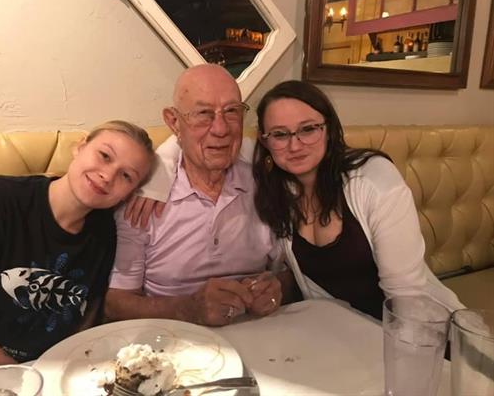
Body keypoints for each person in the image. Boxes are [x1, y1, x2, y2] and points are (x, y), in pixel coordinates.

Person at [0, 121, 154, 377]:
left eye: (126, 176)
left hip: (56, 377)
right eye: (104, 156)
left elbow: (83, 334)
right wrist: (36, 385)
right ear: (80, 147)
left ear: (131, 193)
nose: (108, 176)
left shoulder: (106, 233)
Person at [252, 80, 463, 319]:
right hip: (339, 329)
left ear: (329, 129)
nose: (294, 145)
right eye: (280, 134)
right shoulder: (277, 191)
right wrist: (271, 286)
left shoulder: (373, 179)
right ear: (264, 140)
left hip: (417, 329)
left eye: (308, 129)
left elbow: (407, 296)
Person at [104, 65, 285, 327]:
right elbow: (114, 303)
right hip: (171, 340)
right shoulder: (144, 195)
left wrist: (276, 287)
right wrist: (187, 309)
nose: (221, 129)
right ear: (174, 122)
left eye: (232, 111)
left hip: (258, 334)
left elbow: (292, 275)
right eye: (203, 114)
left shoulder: (266, 181)